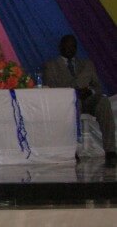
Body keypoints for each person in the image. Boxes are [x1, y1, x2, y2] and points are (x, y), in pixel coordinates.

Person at [44, 34, 116, 167]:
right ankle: (72, 150)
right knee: (75, 103)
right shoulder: (51, 65)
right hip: (68, 102)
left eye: (73, 46)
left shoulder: (86, 64)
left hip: (88, 98)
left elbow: (97, 87)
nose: (70, 49)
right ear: (60, 47)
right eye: (67, 46)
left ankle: (110, 150)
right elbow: (52, 90)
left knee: (104, 102)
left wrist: (89, 91)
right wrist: (75, 92)